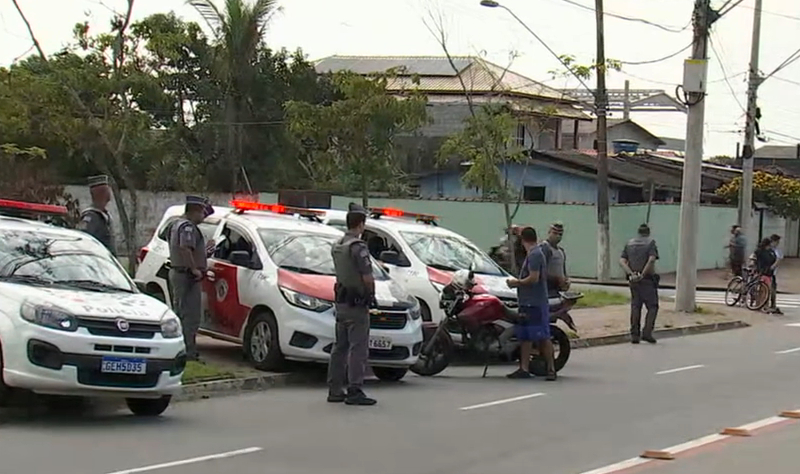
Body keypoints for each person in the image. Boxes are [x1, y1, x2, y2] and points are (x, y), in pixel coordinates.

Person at [327, 203, 377, 406]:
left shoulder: (338, 245)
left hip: (341, 303)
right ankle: (355, 389)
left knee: (340, 347)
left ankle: (334, 389)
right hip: (357, 303)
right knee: (358, 348)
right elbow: (367, 276)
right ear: (361, 224)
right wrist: (371, 295)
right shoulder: (358, 247)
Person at [506, 227, 557, 381]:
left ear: (523, 240)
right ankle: (524, 368)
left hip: (535, 303)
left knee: (542, 336)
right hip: (527, 303)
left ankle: (551, 369)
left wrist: (517, 283)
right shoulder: (533, 254)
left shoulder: (535, 255)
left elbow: (534, 278)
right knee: (526, 337)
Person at [168, 195, 214, 361]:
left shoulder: (177, 224)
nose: (203, 216)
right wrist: (194, 269)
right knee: (190, 316)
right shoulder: (187, 227)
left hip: (181, 273)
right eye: (202, 212)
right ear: (194, 211)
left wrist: (206, 252)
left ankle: (184, 350)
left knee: (183, 313)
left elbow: (190, 250)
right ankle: (187, 352)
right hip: (186, 276)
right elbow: (185, 249)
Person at [619, 223, 660, 344]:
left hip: (633, 280)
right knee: (653, 306)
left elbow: (622, 261)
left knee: (636, 306)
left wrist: (631, 274)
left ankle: (634, 335)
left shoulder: (629, 243)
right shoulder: (651, 243)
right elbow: (651, 259)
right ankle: (647, 332)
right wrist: (642, 274)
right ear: (648, 232)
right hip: (647, 279)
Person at [76, 175, 115, 253]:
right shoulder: (91, 217)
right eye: (107, 190)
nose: (109, 194)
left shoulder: (105, 215)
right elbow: (84, 240)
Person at [539, 222, 570, 298]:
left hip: (558, 290)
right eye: (555, 233)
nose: (557, 236)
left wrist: (566, 281)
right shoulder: (544, 248)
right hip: (547, 289)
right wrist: (556, 279)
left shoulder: (561, 251)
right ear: (549, 232)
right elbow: (540, 271)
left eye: (560, 234)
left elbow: (563, 270)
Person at [754, 237, 779, 314]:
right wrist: (774, 263)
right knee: (766, 290)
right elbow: (771, 261)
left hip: (760, 272)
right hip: (767, 273)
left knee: (761, 289)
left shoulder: (759, 251)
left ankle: (758, 304)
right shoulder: (767, 253)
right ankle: (764, 305)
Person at [768, 234, 783, 314]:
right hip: (767, 272)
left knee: (773, 288)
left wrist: (772, 267)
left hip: (772, 273)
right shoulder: (768, 249)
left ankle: (773, 304)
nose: (777, 243)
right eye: (776, 241)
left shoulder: (777, 250)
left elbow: (779, 260)